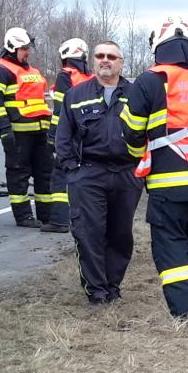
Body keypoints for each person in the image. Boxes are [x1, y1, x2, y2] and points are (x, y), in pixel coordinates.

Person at [121, 17, 188, 326]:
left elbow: (131, 132)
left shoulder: (150, 81)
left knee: (172, 251)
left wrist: (137, 160)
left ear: (158, 47)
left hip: (169, 187)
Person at [56, 41, 141, 305]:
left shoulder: (136, 93)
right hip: (89, 173)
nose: (106, 60)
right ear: (93, 60)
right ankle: (97, 290)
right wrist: (73, 171)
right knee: (89, 233)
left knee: (120, 234)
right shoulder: (76, 94)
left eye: (112, 57)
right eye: (100, 56)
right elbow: (63, 136)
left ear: (121, 62)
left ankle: (113, 285)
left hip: (127, 173)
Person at [0, 27, 54, 228]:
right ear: (12, 48)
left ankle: (46, 216)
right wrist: (5, 129)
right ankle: (23, 216)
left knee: (44, 175)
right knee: (18, 175)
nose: (27, 52)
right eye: (23, 48)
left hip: (40, 132)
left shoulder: (32, 71)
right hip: (18, 133)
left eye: (28, 48)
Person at [41, 38, 91, 234]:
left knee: (60, 176)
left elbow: (60, 109)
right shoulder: (90, 77)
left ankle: (59, 220)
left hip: (70, 134)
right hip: (88, 135)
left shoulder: (65, 76)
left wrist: (53, 137)